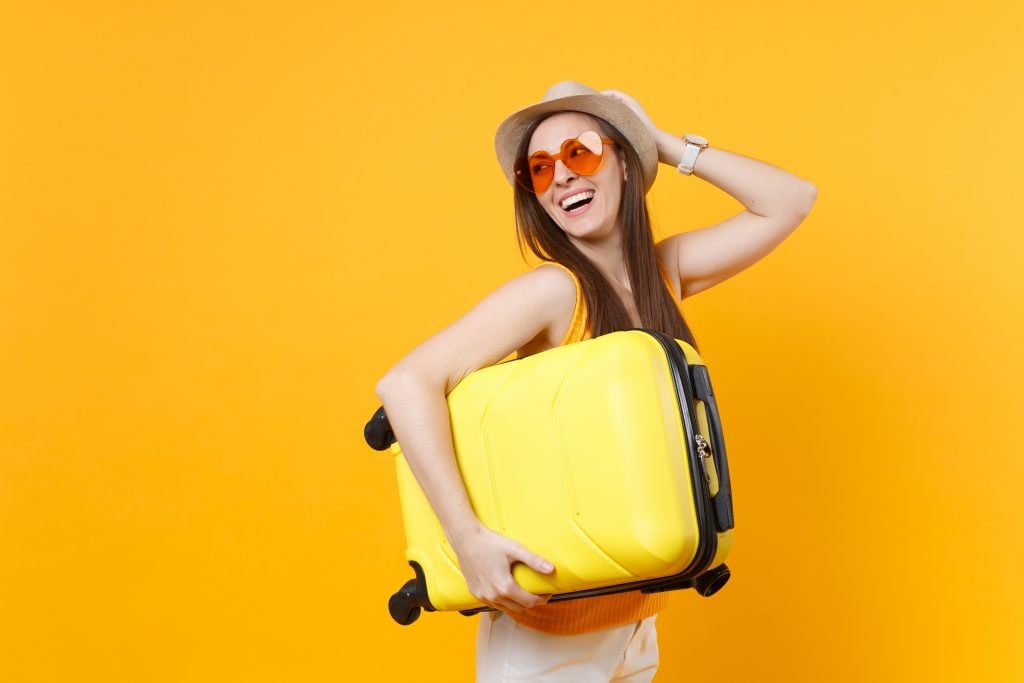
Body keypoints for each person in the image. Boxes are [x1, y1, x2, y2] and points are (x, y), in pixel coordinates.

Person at [374, 81, 817, 682]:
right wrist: (467, 541)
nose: (560, 176)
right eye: (539, 168)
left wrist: (656, 141)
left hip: (633, 620)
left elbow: (790, 199)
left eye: (580, 153)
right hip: (546, 634)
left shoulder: (665, 273)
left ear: (624, 166)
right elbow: (406, 384)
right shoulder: (556, 290)